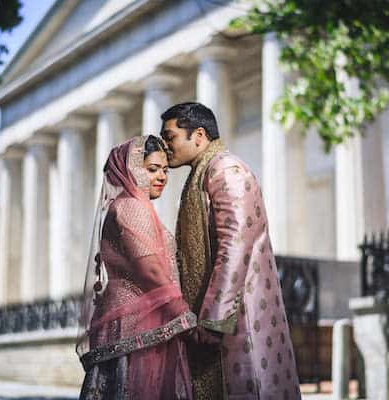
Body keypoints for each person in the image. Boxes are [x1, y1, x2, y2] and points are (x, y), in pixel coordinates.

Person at [160, 102, 302, 400]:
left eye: (170, 137)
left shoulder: (227, 170)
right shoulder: (203, 172)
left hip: (237, 318)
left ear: (198, 135)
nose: (165, 146)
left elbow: (235, 246)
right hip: (211, 319)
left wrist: (213, 319)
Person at [77, 135, 196, 400]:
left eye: (165, 170)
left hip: (129, 319)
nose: (162, 177)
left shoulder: (124, 205)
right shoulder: (131, 206)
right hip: (140, 322)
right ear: (130, 170)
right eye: (152, 169)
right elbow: (150, 270)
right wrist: (184, 314)